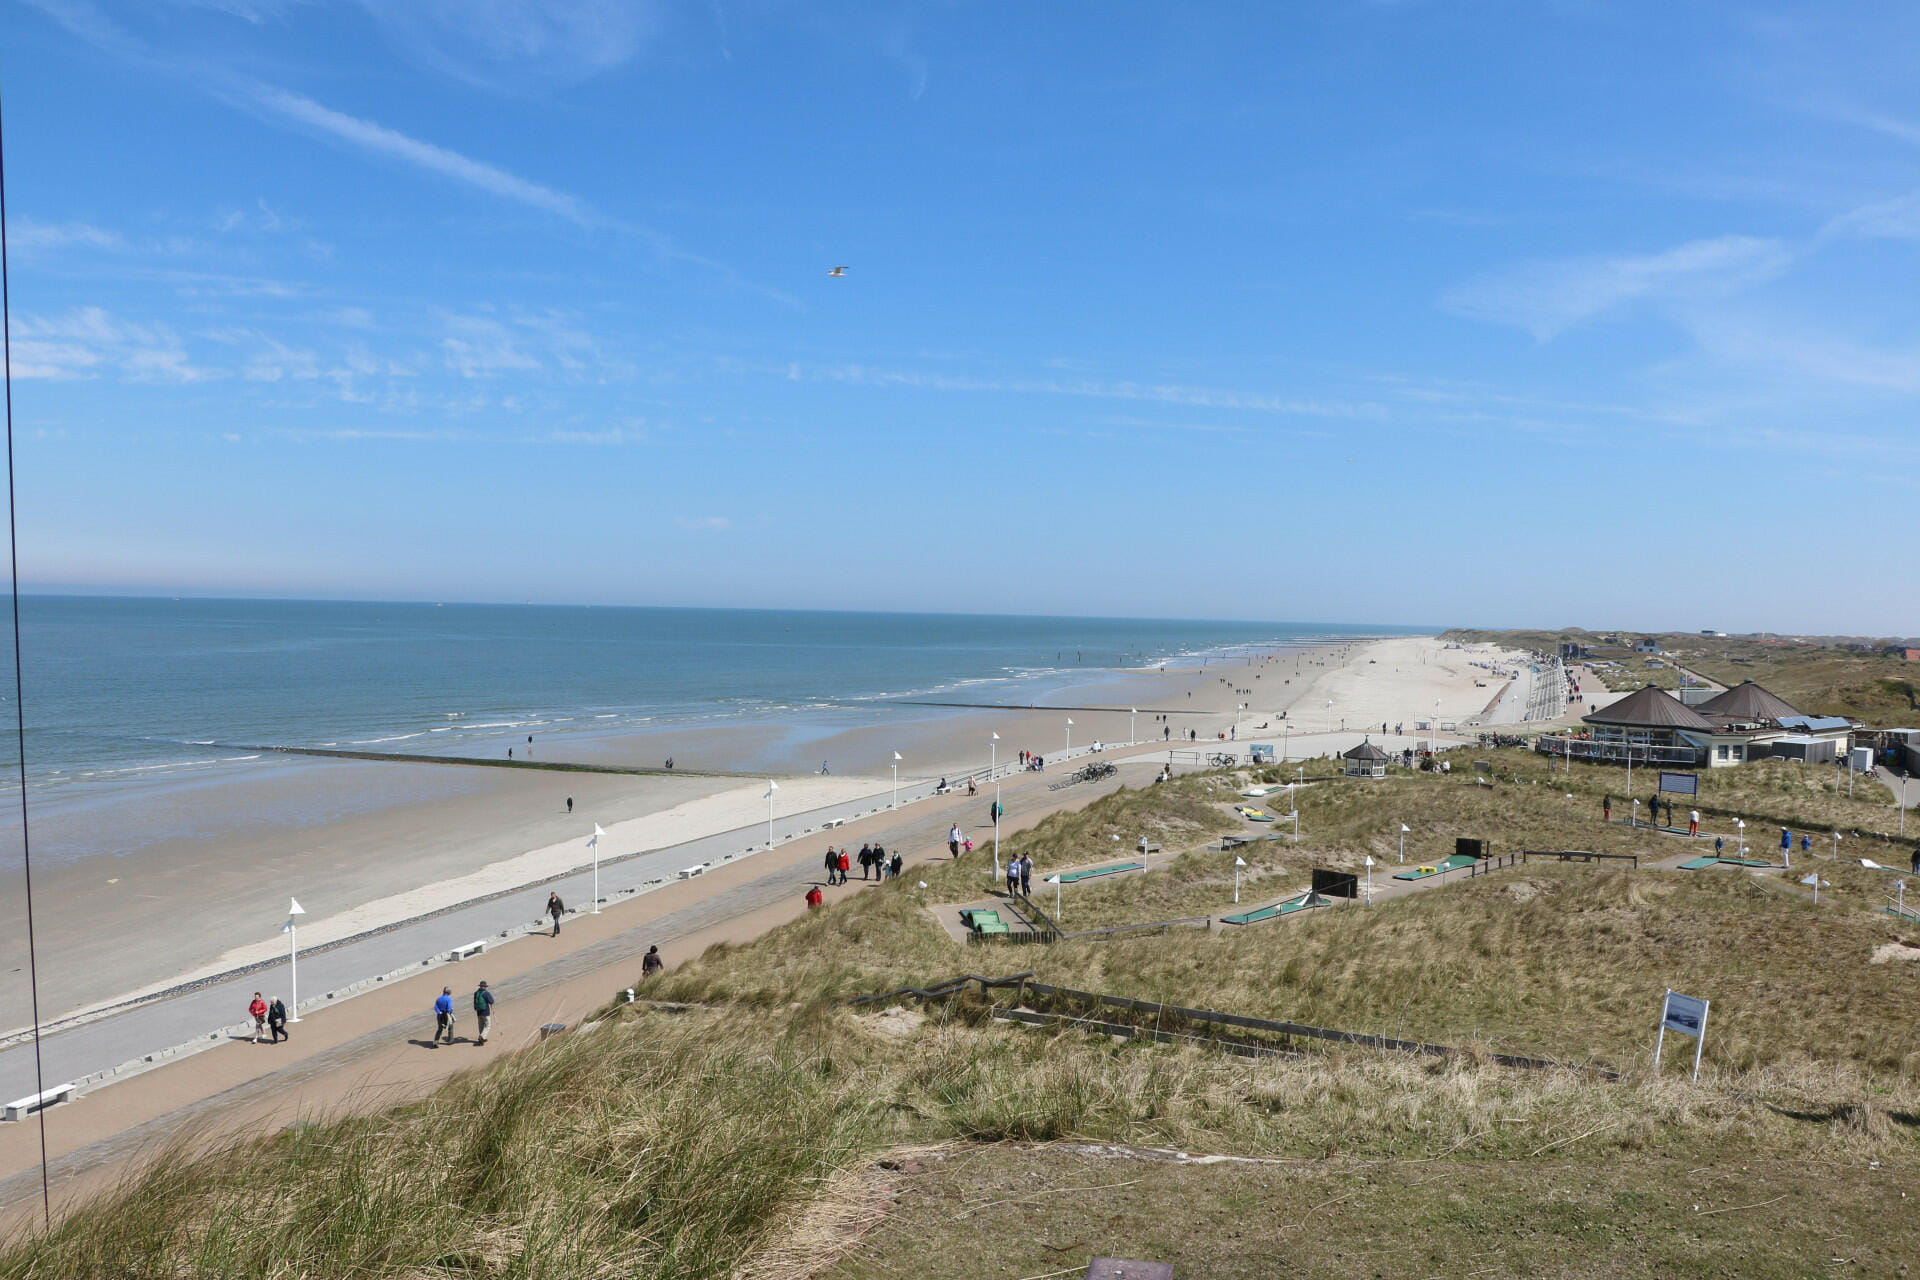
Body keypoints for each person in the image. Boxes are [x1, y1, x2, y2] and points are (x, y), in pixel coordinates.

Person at [472, 981, 494, 1046]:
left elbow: (474, 1002)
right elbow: (491, 1001)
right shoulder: (486, 993)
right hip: (486, 1012)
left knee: (481, 1025)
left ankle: (482, 1039)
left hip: (478, 1012)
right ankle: (482, 1037)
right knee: (488, 1025)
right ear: (485, 987)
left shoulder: (476, 993)